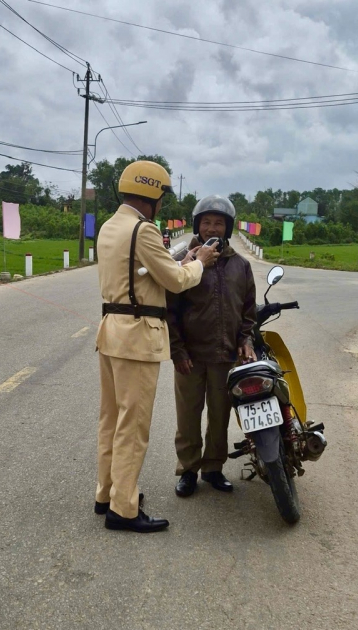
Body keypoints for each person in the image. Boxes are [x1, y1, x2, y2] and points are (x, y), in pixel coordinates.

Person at [95, 160, 220, 533]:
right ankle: (124, 509)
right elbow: (177, 281)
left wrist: (182, 261)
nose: (162, 203)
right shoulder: (143, 230)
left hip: (111, 330)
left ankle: (108, 493)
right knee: (133, 426)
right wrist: (200, 262)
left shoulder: (111, 226)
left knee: (111, 420)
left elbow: (148, 272)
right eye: (162, 196)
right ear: (151, 193)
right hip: (137, 335)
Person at [167, 195, 257, 498]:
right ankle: (188, 470)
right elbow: (170, 310)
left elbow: (248, 312)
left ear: (228, 227)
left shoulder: (240, 265)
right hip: (189, 358)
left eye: (218, 222)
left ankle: (213, 468)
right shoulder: (185, 262)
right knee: (188, 418)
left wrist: (245, 339)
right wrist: (177, 350)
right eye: (206, 222)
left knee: (220, 417)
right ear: (197, 225)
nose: (212, 228)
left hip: (225, 356)